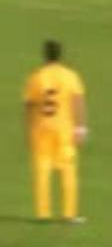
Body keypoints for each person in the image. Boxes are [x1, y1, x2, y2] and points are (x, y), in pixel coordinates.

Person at [23, 40, 88, 223]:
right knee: (68, 169)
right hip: (64, 128)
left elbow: (29, 105)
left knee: (42, 170)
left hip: (41, 127)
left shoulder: (37, 76)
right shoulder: (70, 76)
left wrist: (29, 129)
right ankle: (69, 213)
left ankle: (43, 213)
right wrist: (81, 126)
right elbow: (78, 101)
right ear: (61, 55)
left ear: (44, 55)